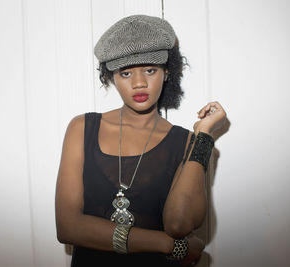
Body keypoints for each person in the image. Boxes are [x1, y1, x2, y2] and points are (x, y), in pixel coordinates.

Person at [55, 14, 226, 267]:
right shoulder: (82, 128)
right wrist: (167, 244)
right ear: (111, 77)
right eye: (125, 73)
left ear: (167, 72)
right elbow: (68, 227)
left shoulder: (188, 142)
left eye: (150, 70)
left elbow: (179, 224)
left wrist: (203, 136)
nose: (139, 83)